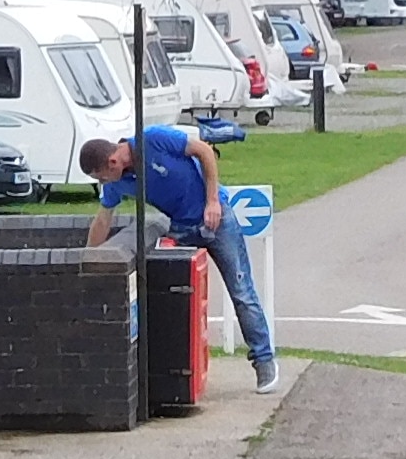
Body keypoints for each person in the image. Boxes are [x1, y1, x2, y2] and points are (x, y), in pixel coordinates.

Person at [79, 126, 278, 388]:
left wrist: (212, 201)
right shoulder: (119, 184)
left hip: (217, 220)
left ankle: (264, 361)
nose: (105, 184)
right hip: (181, 228)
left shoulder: (153, 139)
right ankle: (177, 367)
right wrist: (86, 260)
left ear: (113, 161)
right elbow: (102, 220)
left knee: (241, 290)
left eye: (102, 178)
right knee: (171, 291)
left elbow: (204, 151)